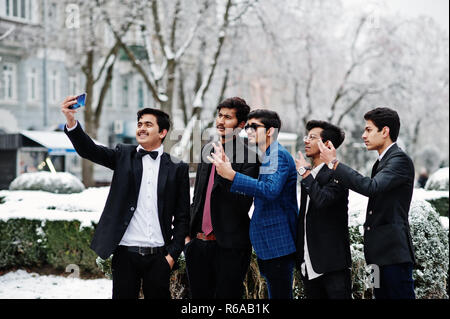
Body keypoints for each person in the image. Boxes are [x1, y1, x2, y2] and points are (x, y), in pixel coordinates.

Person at [61, 96, 190, 299]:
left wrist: (171, 255)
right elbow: (90, 150)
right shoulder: (123, 156)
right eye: (139, 124)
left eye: (148, 124)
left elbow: (183, 216)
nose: (141, 128)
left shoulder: (177, 168)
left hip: (159, 257)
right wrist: (71, 122)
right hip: (125, 255)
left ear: (163, 132)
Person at [319, 107, 416, 299]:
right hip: (375, 257)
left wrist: (335, 164)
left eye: (369, 130)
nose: (364, 135)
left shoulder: (399, 160)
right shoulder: (381, 162)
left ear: (385, 131)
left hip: (393, 256)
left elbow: (371, 187)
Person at [209, 109, 298, 299]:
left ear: (270, 131)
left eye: (254, 127)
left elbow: (270, 190)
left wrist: (232, 175)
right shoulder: (268, 155)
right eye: (247, 126)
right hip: (269, 244)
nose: (248, 130)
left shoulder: (278, 154)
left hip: (278, 243)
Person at [185, 97, 260, 299]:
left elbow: (242, 204)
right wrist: (189, 238)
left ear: (241, 125)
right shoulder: (206, 150)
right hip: (198, 244)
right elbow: (198, 196)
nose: (221, 121)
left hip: (230, 246)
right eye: (219, 115)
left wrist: (226, 174)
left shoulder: (250, 156)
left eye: (228, 117)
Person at [295, 120, 352, 299]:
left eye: (312, 137)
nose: (306, 141)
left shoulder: (338, 174)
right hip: (309, 265)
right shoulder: (310, 174)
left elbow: (322, 200)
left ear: (327, 144)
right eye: (307, 136)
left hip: (332, 266)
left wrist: (305, 175)